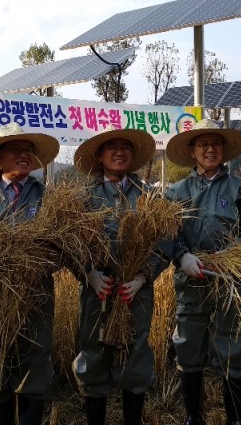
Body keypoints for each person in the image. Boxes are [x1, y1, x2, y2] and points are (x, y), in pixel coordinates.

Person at [165, 118, 241, 425]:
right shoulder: (175, 192)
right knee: (188, 346)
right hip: (190, 282)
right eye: (203, 144)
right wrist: (182, 256)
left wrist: (232, 256)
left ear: (224, 150)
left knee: (235, 348)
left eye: (216, 144)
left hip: (232, 282)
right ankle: (194, 417)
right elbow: (166, 233)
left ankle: (235, 418)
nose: (210, 149)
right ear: (191, 151)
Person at [0, 123, 60, 425]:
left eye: (28, 150)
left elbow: (63, 247)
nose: (24, 155)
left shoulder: (49, 198)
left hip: (36, 296)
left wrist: (37, 262)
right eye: (16, 150)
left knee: (34, 368)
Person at [72, 128, 166, 425]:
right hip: (97, 290)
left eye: (125, 146)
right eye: (111, 146)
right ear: (99, 156)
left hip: (134, 291)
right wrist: (88, 273)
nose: (119, 152)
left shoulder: (148, 195)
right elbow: (69, 243)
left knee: (136, 356)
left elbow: (164, 243)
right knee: (93, 355)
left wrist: (143, 277)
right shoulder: (83, 197)